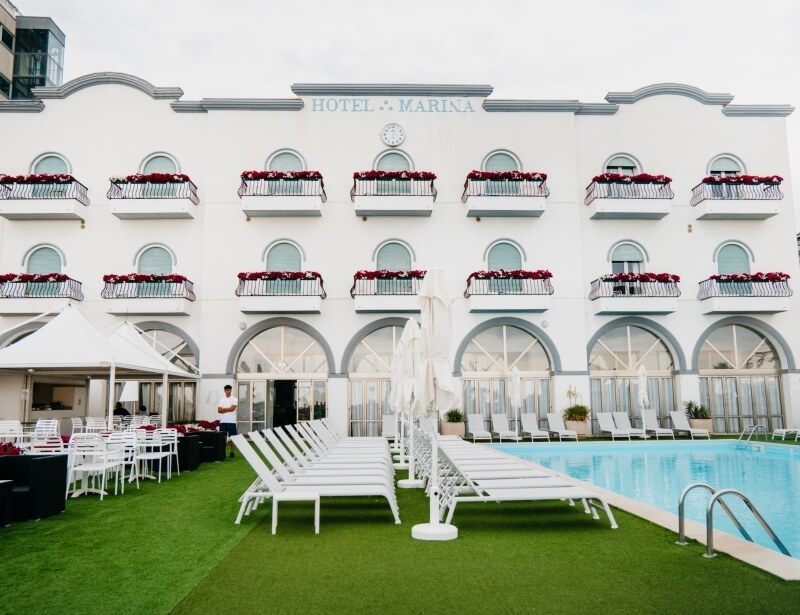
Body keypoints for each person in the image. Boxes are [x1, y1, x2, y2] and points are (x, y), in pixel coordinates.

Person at [217, 384, 238, 458]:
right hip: (223, 421)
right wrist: (228, 409)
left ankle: (232, 452)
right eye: (227, 390)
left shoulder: (234, 399)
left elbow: (232, 409)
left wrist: (224, 409)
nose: (229, 391)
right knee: (222, 437)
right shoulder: (222, 400)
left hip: (231, 421)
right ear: (225, 391)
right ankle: (223, 452)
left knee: (233, 438)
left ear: (231, 391)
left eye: (230, 390)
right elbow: (219, 410)